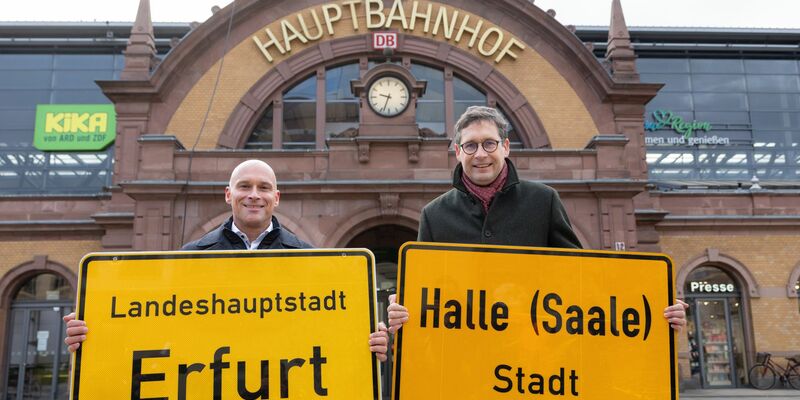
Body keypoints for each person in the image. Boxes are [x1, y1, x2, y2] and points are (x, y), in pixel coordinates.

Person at [387, 106, 688, 333]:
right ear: (458, 152)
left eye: (489, 143)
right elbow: (425, 295)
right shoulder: (434, 214)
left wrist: (648, 306)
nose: (480, 154)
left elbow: (580, 276)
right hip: (465, 357)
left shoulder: (543, 201)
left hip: (534, 353)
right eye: (471, 145)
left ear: (505, 147)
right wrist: (403, 312)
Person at [64, 159, 389, 360]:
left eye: (264, 188)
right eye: (244, 186)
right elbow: (153, 322)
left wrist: (367, 340)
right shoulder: (190, 258)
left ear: (275, 198)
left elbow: (328, 332)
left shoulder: (308, 259)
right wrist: (97, 333)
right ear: (228, 194)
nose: (253, 194)